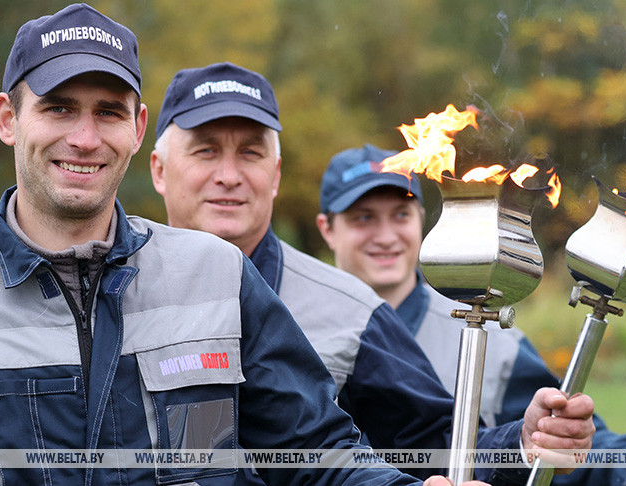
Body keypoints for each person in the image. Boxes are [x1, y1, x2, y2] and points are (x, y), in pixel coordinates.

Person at [0, 5, 480, 485]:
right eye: (58, 108)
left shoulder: (217, 274)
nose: (84, 138)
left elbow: (315, 454)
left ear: (137, 128)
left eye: (108, 112)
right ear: (8, 118)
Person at [150, 62, 597, 484]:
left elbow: (431, 444)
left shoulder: (354, 312)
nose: (229, 175)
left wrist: (521, 442)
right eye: (206, 151)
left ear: (276, 175)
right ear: (159, 170)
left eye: (250, 153)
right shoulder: (105, 287)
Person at [315, 144, 626, 486]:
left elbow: (561, 443)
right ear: (327, 229)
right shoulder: (291, 321)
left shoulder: (497, 341)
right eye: (363, 218)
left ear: (421, 218)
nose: (385, 236)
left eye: (400, 215)